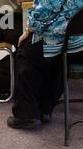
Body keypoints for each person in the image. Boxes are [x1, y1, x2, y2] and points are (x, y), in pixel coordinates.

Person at [8, 0, 83, 129]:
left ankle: (26, 115)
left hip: (67, 42)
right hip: (80, 45)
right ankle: (45, 109)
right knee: (55, 58)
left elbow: (43, 12)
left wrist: (28, 29)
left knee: (26, 52)